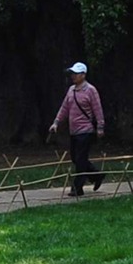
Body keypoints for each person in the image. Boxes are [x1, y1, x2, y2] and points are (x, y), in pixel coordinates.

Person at [47, 62, 105, 197]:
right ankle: (97, 176)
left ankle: (77, 188)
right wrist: (56, 122)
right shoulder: (71, 90)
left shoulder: (91, 90)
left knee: (80, 159)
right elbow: (64, 108)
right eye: (72, 73)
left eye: (76, 73)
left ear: (83, 75)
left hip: (86, 130)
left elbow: (98, 109)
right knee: (76, 158)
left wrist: (100, 127)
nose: (73, 76)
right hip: (74, 131)